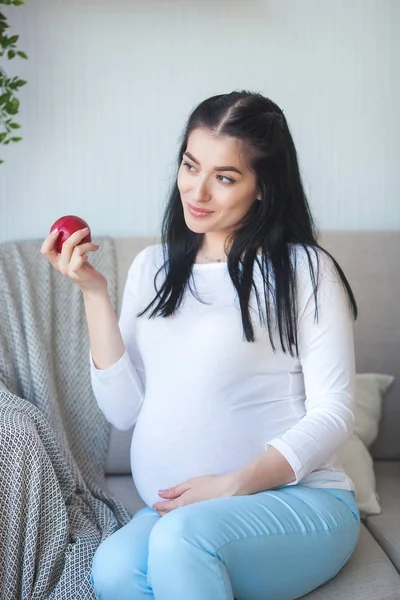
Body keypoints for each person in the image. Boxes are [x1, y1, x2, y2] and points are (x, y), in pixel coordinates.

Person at [41, 90, 360, 600]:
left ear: (263, 187)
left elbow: (335, 412)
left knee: (179, 543)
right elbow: (123, 411)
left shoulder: (304, 270)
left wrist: (235, 483)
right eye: (190, 166)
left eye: (225, 177)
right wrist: (93, 293)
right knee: (113, 568)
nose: (198, 191)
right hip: (179, 514)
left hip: (298, 501)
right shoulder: (153, 267)